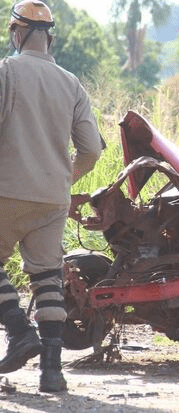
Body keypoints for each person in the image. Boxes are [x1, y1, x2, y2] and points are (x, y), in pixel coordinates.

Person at [0, 0, 103, 392]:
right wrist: (63, 179)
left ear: (17, 32)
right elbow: (91, 150)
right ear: (50, 37)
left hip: (7, 192)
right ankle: (52, 373)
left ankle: (18, 331)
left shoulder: (6, 72)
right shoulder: (71, 82)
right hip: (53, 198)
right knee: (46, 278)